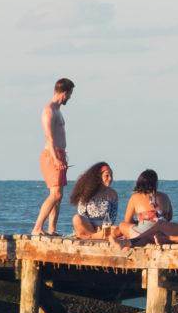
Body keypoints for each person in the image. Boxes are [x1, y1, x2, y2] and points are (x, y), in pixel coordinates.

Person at [32, 77, 74, 236]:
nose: (70, 98)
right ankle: (37, 228)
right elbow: (48, 138)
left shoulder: (58, 110)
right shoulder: (48, 110)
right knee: (55, 194)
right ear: (64, 93)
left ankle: (52, 229)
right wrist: (56, 158)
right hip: (52, 155)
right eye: (70, 94)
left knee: (59, 195)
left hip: (60, 154)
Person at [116, 169, 176, 247]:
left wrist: (139, 222)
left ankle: (139, 238)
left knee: (122, 225)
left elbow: (127, 220)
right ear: (155, 183)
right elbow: (169, 217)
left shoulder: (135, 197)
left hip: (144, 231)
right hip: (164, 231)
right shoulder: (165, 196)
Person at [70, 162, 119, 239]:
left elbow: (112, 217)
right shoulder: (87, 191)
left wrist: (102, 227)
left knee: (116, 229)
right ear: (99, 177)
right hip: (88, 225)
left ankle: (90, 237)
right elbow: (82, 212)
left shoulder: (112, 193)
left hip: (104, 227)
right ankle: (95, 236)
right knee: (76, 218)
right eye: (107, 175)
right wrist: (94, 227)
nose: (110, 178)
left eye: (111, 175)